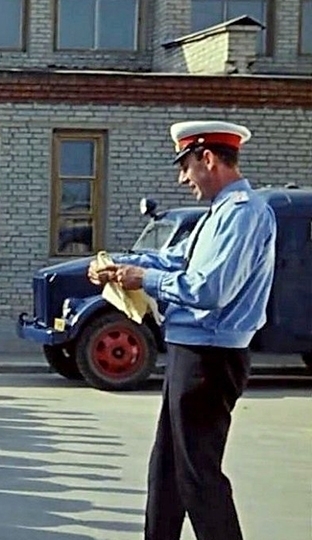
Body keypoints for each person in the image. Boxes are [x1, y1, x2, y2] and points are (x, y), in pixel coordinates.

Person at [88, 121, 276, 540]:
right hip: (190, 350)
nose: (182, 179)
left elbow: (211, 289)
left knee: (197, 477)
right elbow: (176, 259)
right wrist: (117, 265)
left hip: (210, 357)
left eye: (184, 166)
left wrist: (144, 279)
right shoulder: (221, 213)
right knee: (168, 473)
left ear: (207, 159)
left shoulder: (243, 213)